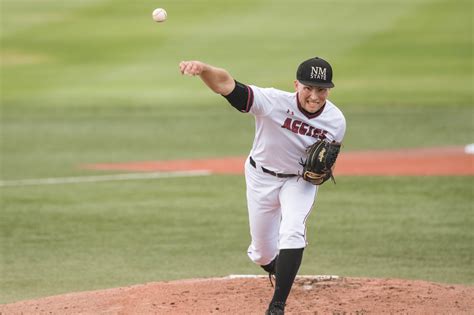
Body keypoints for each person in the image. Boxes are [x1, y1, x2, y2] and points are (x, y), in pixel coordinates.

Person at [179, 57, 346, 315]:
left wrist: (321, 174)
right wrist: (204, 70)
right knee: (261, 254)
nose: (314, 95)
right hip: (261, 177)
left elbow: (325, 162)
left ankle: (277, 305)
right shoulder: (272, 102)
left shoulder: (336, 121)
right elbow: (227, 85)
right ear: (296, 85)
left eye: (321, 89)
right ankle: (276, 267)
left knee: (292, 230)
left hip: (298, 182)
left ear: (329, 90)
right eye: (308, 88)